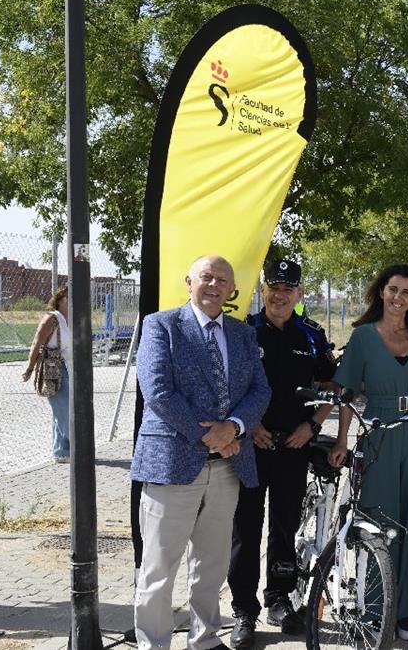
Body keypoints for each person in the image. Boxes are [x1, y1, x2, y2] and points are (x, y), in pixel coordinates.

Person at [131, 255, 272, 650]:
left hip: (227, 469)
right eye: (206, 277)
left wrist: (235, 428)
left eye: (223, 280)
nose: (214, 285)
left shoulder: (243, 334)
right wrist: (209, 435)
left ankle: (205, 639)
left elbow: (260, 391)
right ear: (188, 280)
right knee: (159, 568)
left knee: (210, 566)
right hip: (173, 465)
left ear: (232, 291)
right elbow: (158, 391)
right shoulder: (160, 326)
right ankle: (153, 644)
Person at [328, 264, 408, 642]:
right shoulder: (363, 337)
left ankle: (407, 609)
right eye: (393, 289)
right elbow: (346, 394)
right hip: (377, 430)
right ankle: (376, 606)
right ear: (381, 291)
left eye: (407, 293)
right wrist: (342, 440)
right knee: (377, 521)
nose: (398, 297)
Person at [228, 259, 336, 648]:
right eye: (273, 286)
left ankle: (279, 600)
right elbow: (229, 387)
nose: (280, 294)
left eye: (288, 288)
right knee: (245, 529)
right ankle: (244, 611)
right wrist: (248, 425)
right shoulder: (243, 331)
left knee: (285, 527)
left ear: (299, 294)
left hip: (294, 445)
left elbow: (332, 387)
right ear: (262, 290)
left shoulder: (311, 336)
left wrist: (314, 426)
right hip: (249, 445)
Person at [22, 285, 71, 463]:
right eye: (68, 297)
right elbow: (37, 343)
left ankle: (61, 452)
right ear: (60, 300)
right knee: (64, 410)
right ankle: (76, 447)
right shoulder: (52, 318)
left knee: (62, 409)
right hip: (54, 370)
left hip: (69, 368)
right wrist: (29, 368)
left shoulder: (70, 319)